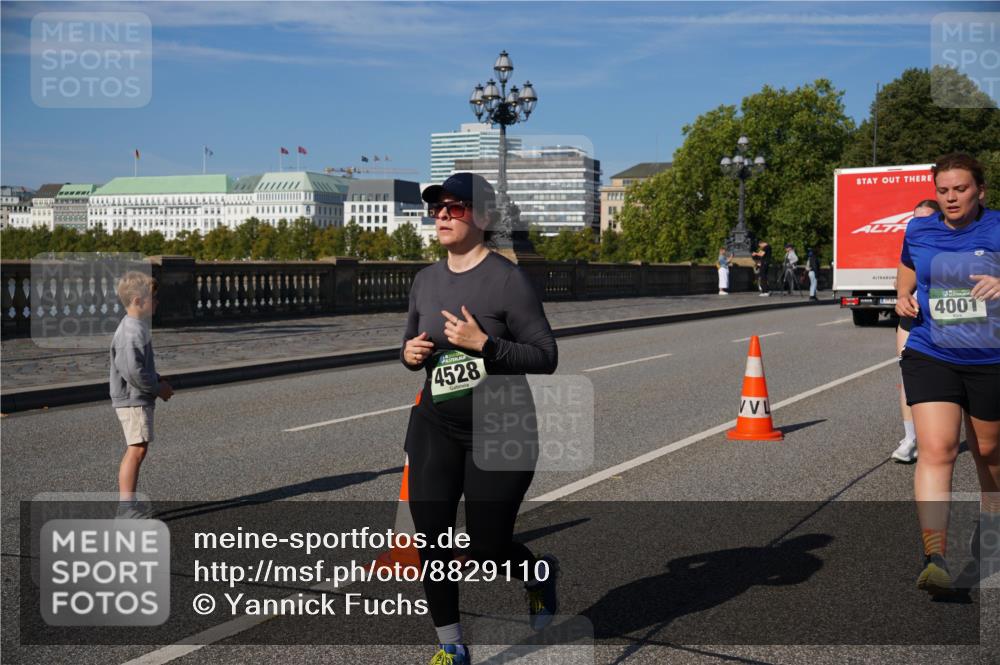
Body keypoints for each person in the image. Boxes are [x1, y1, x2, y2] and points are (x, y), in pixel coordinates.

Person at [401, 173, 560, 664]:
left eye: (457, 207)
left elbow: (546, 356)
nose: (443, 215)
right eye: (437, 208)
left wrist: (485, 345)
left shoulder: (507, 280)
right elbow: (410, 344)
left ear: (484, 218)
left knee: (489, 548)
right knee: (432, 540)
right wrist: (408, 355)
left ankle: (538, 575)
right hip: (435, 426)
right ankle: (451, 645)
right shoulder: (425, 280)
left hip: (501, 426)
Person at [895, 153, 1000, 598]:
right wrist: (902, 297)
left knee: (990, 456)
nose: (951, 198)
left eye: (960, 189)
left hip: (990, 357)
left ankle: (991, 535)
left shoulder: (996, 226)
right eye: (943, 191)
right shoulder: (919, 228)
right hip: (930, 351)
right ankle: (934, 557)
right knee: (937, 450)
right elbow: (908, 266)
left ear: (980, 190)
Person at [110, 271, 173, 519]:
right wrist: (158, 388)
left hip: (136, 397)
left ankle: (129, 504)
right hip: (133, 399)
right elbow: (132, 371)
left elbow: (138, 367)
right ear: (138, 301)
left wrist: (156, 378)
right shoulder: (132, 332)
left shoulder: (135, 327)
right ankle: (125, 508)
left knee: (138, 448)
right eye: (153, 298)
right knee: (135, 450)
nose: (156, 302)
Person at [891, 200, 942, 463]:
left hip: (960, 329)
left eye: (926, 218)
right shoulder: (913, 240)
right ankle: (911, 437)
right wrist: (902, 295)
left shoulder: (961, 237)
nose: (920, 223)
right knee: (907, 372)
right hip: (916, 320)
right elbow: (905, 272)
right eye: (915, 219)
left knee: (988, 449)